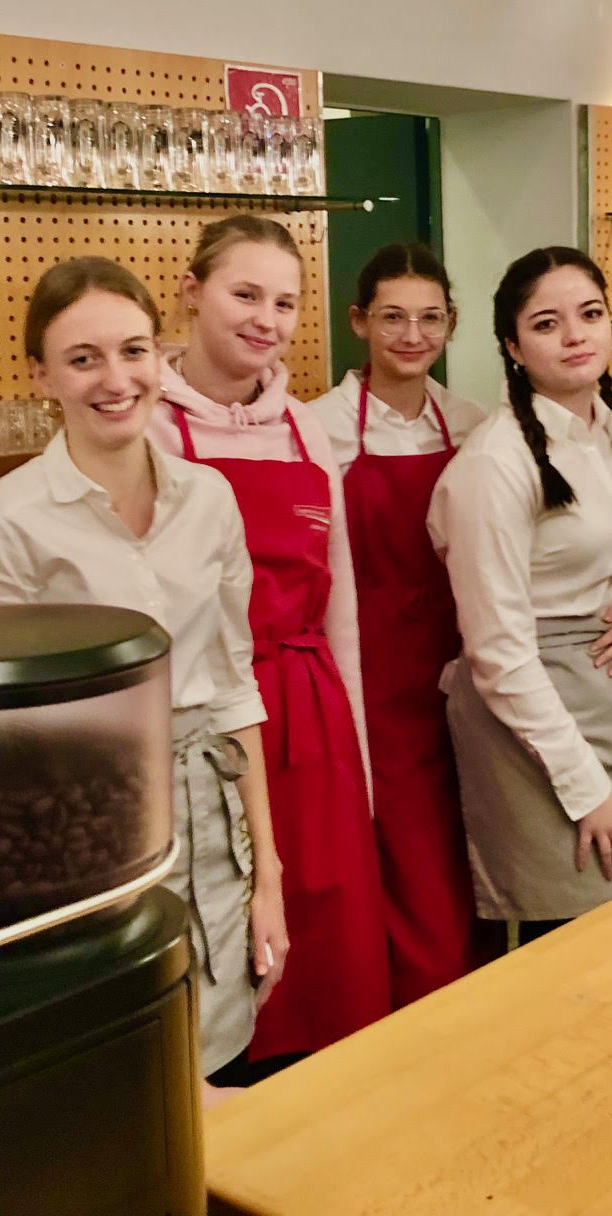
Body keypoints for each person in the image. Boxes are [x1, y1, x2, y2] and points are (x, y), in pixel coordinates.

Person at [0, 257, 285, 1083]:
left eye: (134, 351)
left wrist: (267, 872)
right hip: (74, 835)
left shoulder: (210, 499)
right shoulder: (3, 523)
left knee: (223, 1052)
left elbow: (233, 684)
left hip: (209, 816)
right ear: (42, 377)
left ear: (161, 357)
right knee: (121, 1071)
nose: (116, 379)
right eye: (83, 359)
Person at [150, 214, 389, 1065]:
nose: (267, 320)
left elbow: (341, 604)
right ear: (192, 292)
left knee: (329, 940)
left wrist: (358, 756)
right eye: (245, 294)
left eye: (285, 303)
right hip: (205, 719)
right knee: (225, 922)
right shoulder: (150, 427)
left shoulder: (305, 429)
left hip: (310, 710)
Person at [427, 247, 612, 938]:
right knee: (577, 937)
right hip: (534, 720)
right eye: (546, 324)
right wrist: (584, 785)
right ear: (512, 346)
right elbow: (498, 652)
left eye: (590, 314)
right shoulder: (494, 463)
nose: (575, 336)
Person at [307, 244, 487, 1006]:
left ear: (451, 324)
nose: (413, 336)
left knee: (466, 846)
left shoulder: (473, 425)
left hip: (463, 665)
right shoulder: (316, 429)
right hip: (367, 675)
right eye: (393, 318)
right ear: (358, 322)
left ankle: (475, 1001)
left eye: (430, 318)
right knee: (400, 858)